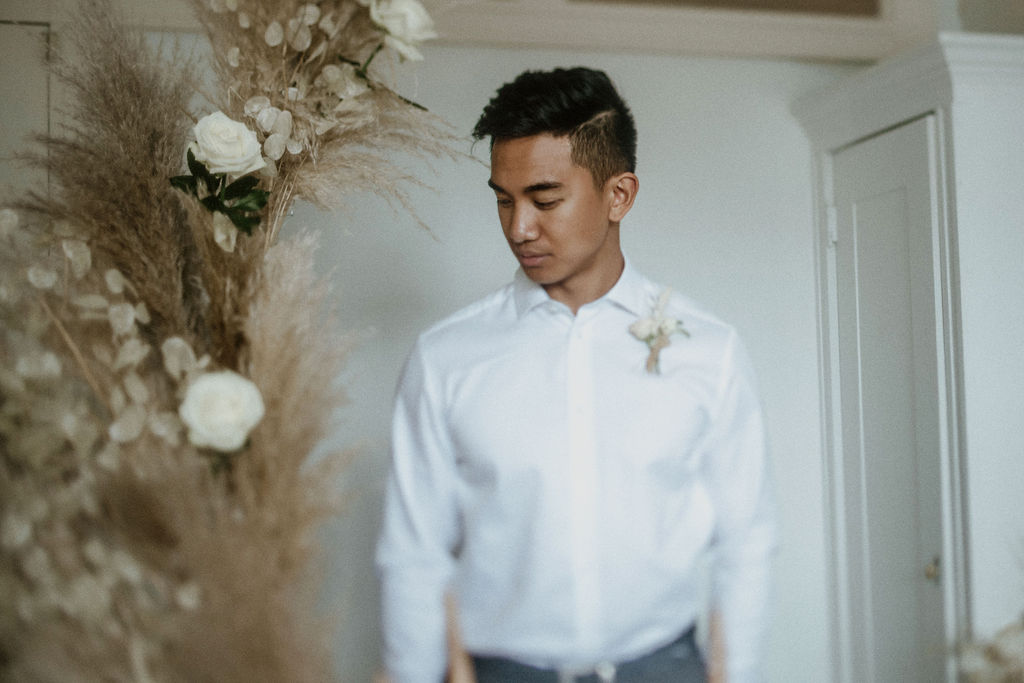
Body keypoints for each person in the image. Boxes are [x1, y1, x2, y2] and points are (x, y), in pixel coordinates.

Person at [375, 66, 776, 683]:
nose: (519, 228)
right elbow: (414, 553)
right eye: (503, 200)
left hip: (662, 667)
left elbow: (746, 541)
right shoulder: (445, 359)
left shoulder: (709, 352)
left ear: (619, 196)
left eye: (545, 200)